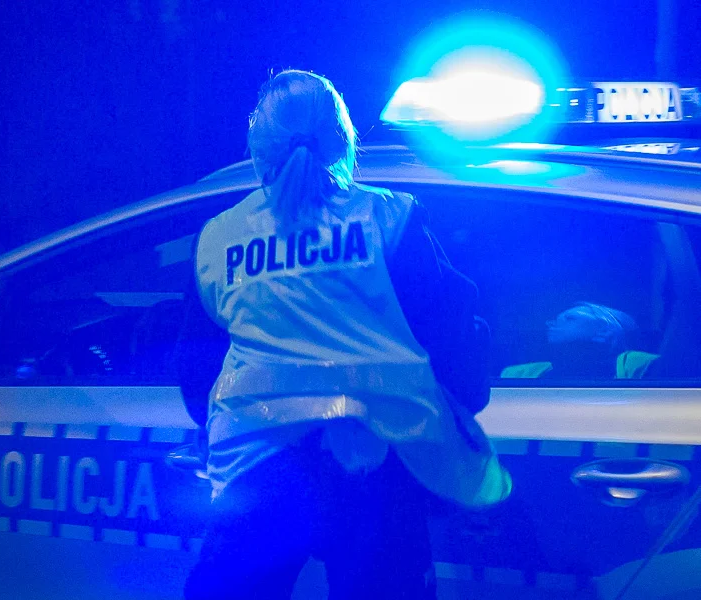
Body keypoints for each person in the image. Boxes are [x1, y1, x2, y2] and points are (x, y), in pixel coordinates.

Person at [176, 70, 511, 600]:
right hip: (378, 468)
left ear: (258, 147)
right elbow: (454, 336)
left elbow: (195, 368)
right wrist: (459, 409)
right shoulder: (390, 218)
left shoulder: (219, 238)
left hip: (258, 471)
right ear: (343, 138)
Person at [500, 302, 659, 380]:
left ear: (605, 329)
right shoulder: (519, 374)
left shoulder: (634, 364)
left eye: (570, 318)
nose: (550, 324)